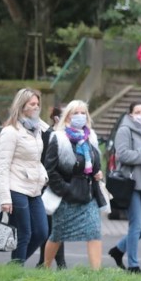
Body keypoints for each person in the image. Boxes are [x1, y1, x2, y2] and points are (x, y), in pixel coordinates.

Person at [42, 100, 104, 270]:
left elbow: (96, 162)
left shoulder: (91, 137)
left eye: (83, 113)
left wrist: (97, 172)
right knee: (57, 234)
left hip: (88, 193)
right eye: (75, 113)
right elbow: (50, 170)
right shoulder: (58, 137)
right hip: (66, 196)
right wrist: (65, 189)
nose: (80, 116)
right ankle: (45, 267)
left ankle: (96, 273)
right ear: (67, 117)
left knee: (94, 231)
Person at [0, 88, 49, 265]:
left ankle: (14, 266)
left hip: (34, 186)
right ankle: (16, 270)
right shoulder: (11, 131)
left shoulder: (37, 128)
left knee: (42, 231)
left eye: (37, 104)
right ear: (22, 105)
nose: (36, 107)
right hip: (16, 186)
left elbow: (51, 133)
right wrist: (5, 198)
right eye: (32, 104)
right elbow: (3, 166)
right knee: (24, 232)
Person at [107, 102, 141, 274]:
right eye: (138, 112)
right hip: (131, 183)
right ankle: (133, 266)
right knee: (136, 225)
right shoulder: (125, 130)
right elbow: (123, 155)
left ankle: (118, 250)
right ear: (130, 115)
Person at [37, 106, 66, 269]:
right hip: (48, 186)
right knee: (49, 226)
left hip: (62, 186)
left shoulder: (69, 136)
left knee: (57, 226)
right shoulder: (47, 136)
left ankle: (52, 262)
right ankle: (48, 261)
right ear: (56, 118)